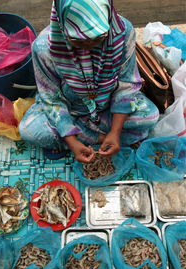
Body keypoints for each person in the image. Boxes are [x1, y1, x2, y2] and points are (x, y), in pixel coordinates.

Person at [19, 0, 159, 163]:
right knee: (30, 129)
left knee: (150, 115)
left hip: (109, 106)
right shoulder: (43, 48)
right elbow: (51, 98)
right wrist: (72, 141)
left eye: (97, 38)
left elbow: (127, 85)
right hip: (71, 110)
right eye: (77, 41)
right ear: (62, 27)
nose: (87, 48)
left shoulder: (122, 31)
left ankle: (95, 137)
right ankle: (97, 138)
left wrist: (115, 131)